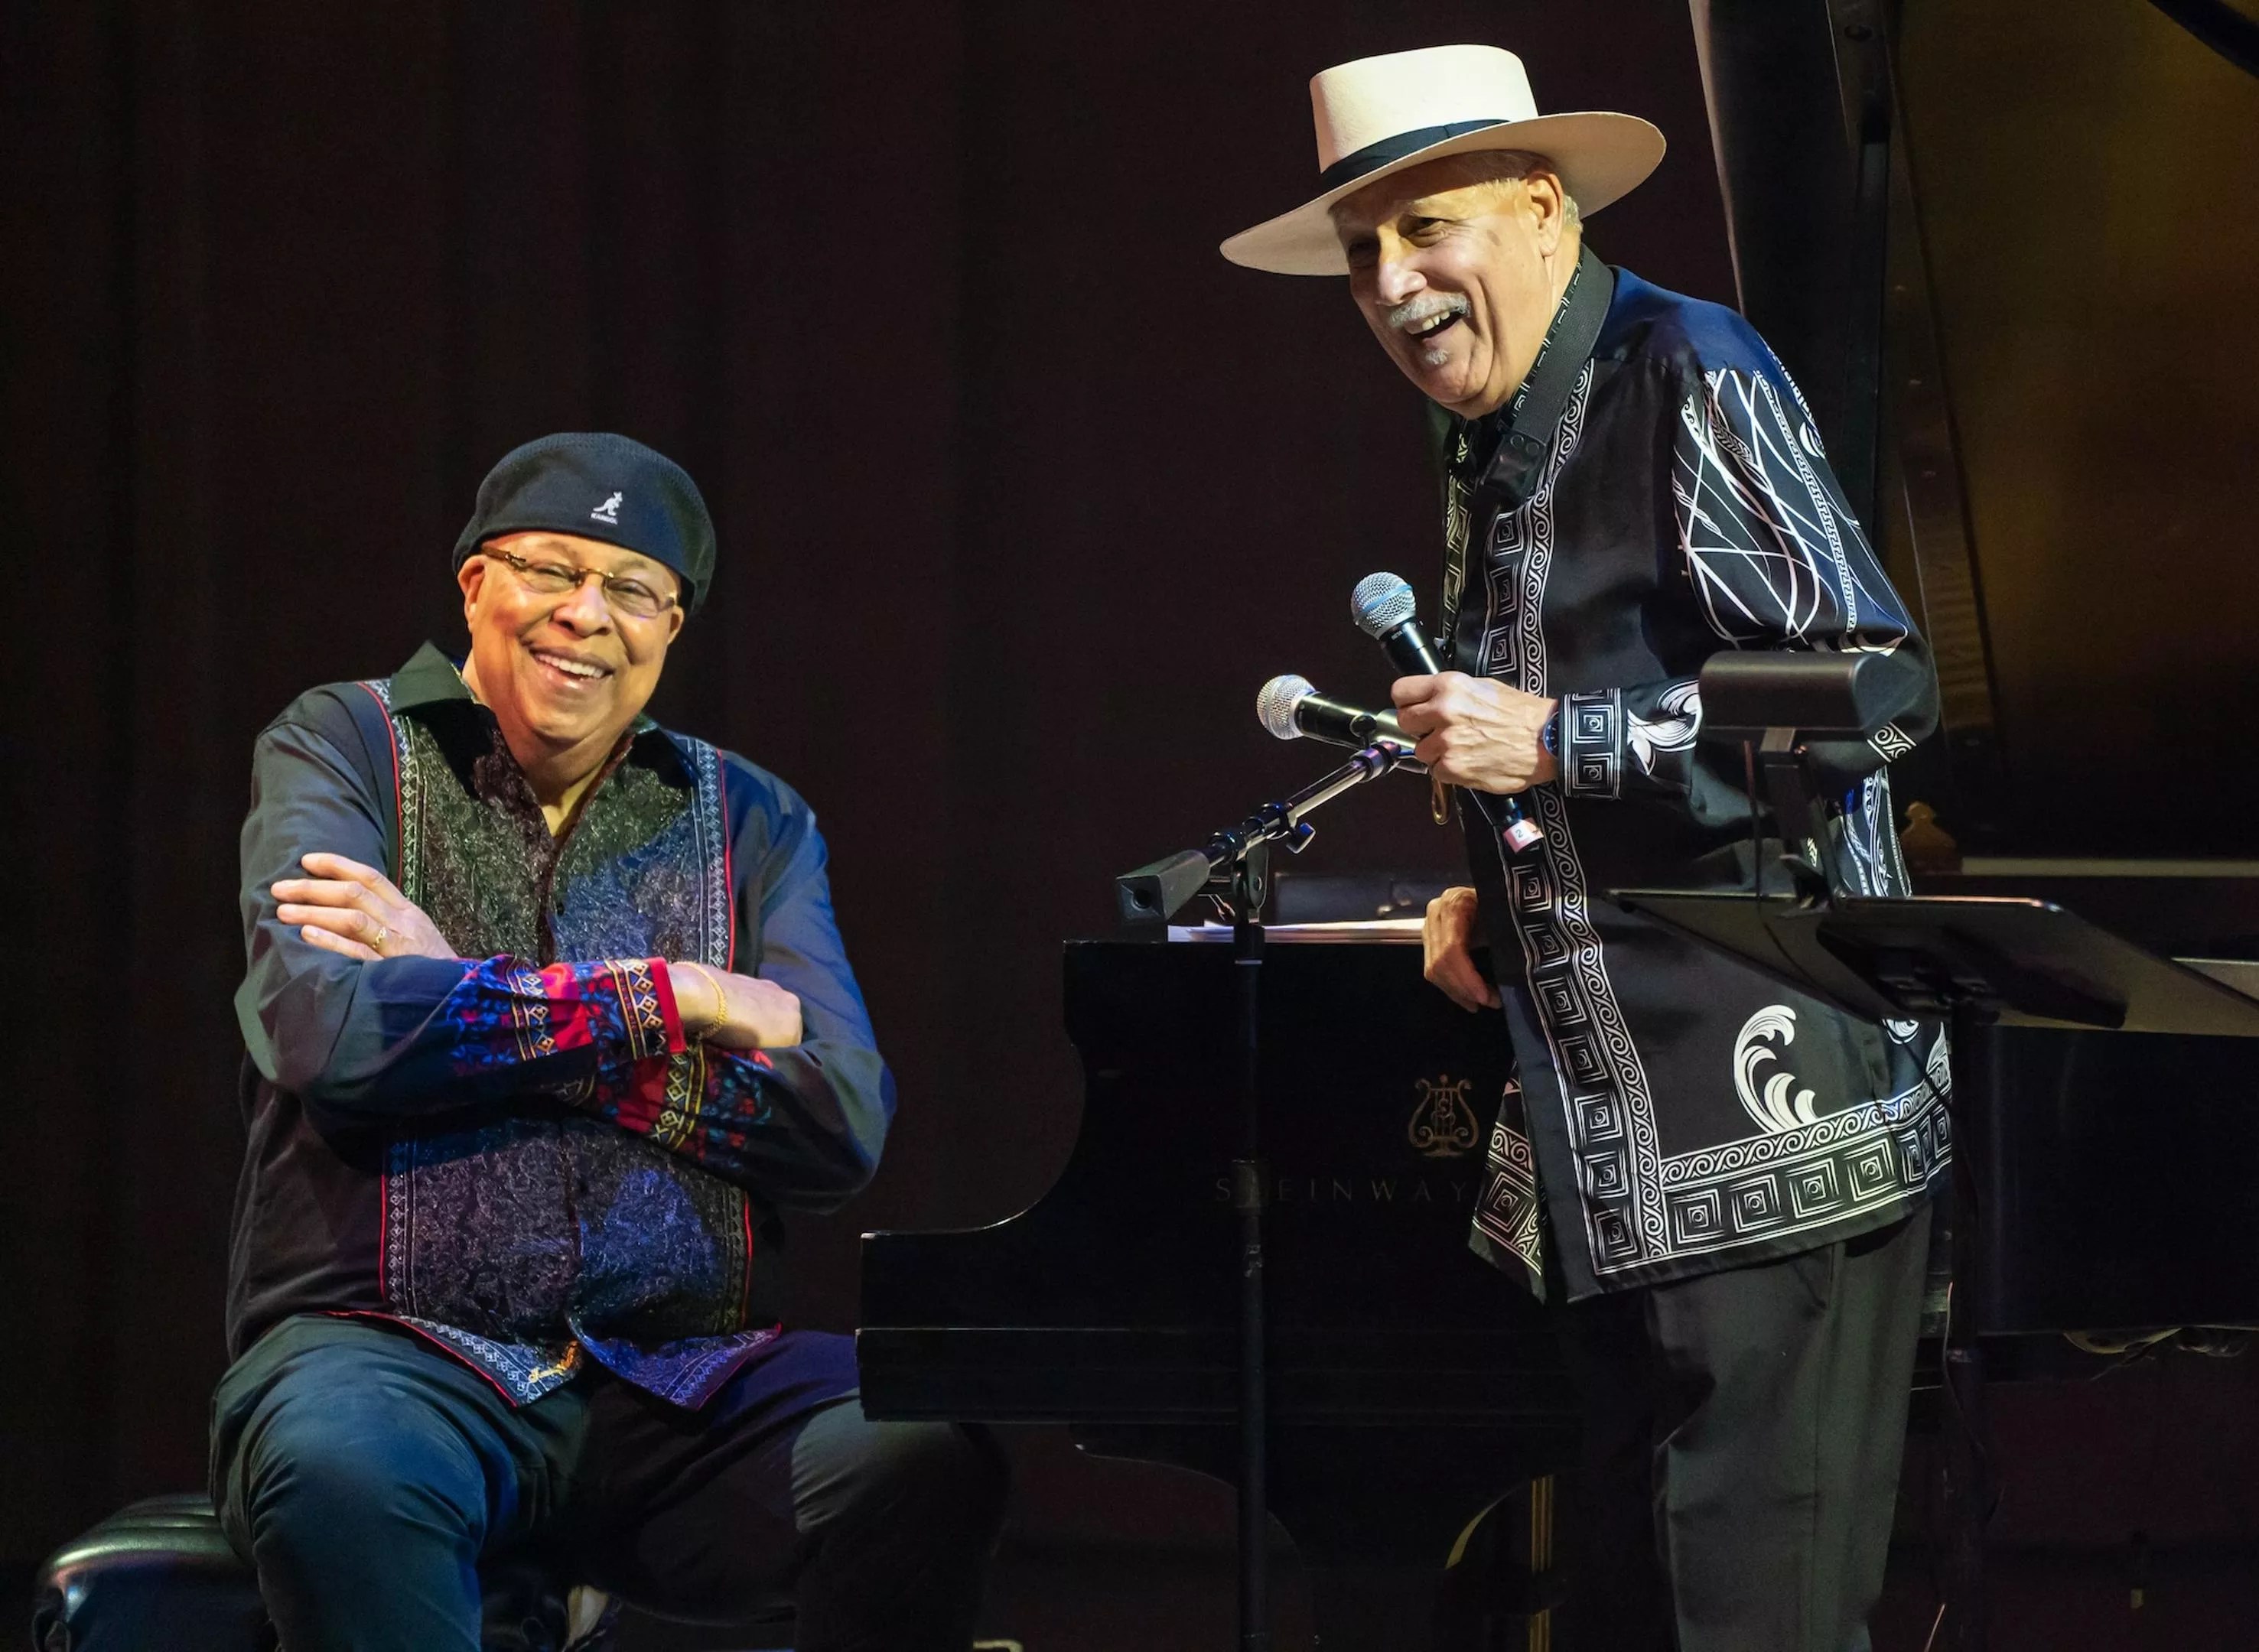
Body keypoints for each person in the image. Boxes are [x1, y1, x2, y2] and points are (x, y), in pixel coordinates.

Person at [1222, 45, 1948, 1651]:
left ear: (1544, 207)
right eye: (1362, 253)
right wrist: (1499, 881)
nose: (1391, 285)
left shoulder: (1690, 368)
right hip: (1612, 1146)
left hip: (1769, 1130)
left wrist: (1559, 748)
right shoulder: (1492, 428)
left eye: (1428, 229)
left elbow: (1868, 694)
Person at [212, 431, 1005, 1652]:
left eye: (632, 589)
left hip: (679, 1383)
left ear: (670, 628)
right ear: (475, 583)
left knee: (923, 1442)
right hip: (394, 1363)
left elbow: (839, 1125)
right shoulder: (345, 743)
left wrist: (469, 997)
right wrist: (677, 995)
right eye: (551, 571)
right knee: (335, 1469)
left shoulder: (749, 815)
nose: (586, 615)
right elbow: (334, 1038)